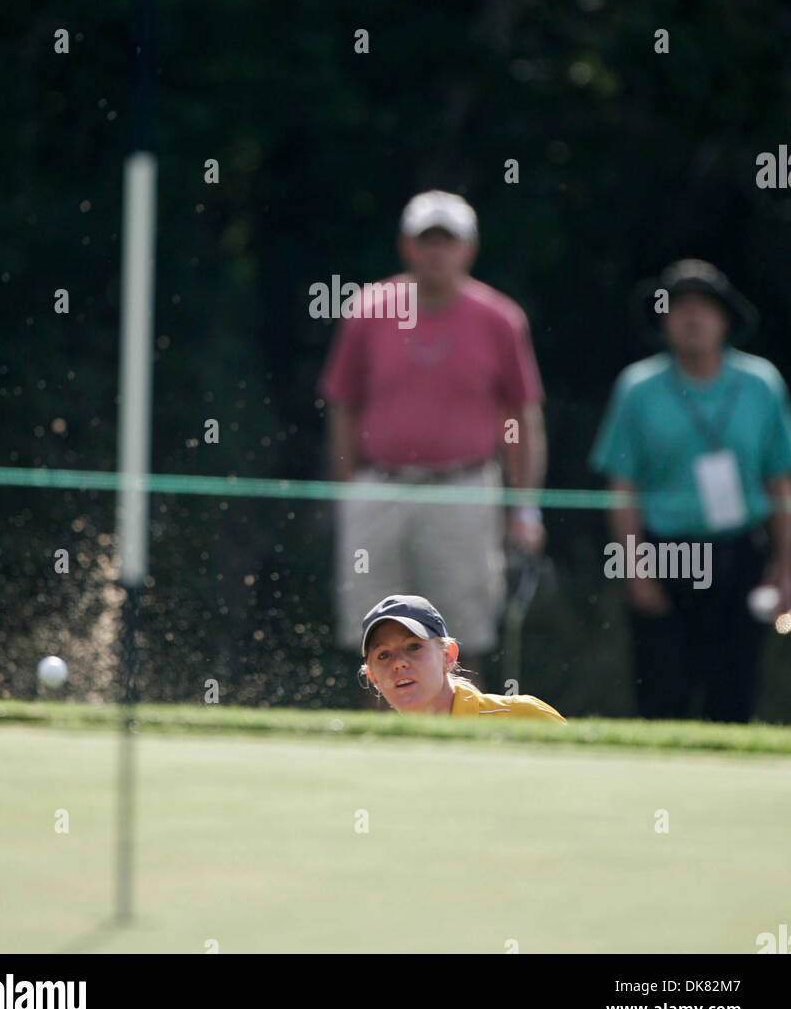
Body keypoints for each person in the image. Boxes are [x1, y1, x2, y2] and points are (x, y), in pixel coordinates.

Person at [319, 190, 547, 695]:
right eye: (427, 241)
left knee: (457, 635)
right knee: (376, 637)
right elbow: (343, 406)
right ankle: (381, 754)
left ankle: (464, 748)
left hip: (464, 489)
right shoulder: (369, 308)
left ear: (468, 249)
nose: (437, 252)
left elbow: (522, 419)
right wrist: (347, 489)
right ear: (407, 246)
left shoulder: (499, 319)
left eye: (449, 241)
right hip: (379, 486)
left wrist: (525, 507)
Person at [590, 259, 791, 723]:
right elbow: (622, 486)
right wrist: (635, 569)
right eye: (679, 306)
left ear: (724, 319)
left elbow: (779, 478)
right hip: (666, 553)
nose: (692, 317)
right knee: (662, 690)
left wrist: (784, 564)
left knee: (735, 691)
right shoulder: (638, 388)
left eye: (705, 306)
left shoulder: (761, 384)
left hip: (742, 552)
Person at [358, 594, 565, 720]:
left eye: (414, 646)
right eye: (383, 654)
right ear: (373, 678)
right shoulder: (385, 750)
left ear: (448, 656)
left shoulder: (525, 717)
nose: (399, 663)